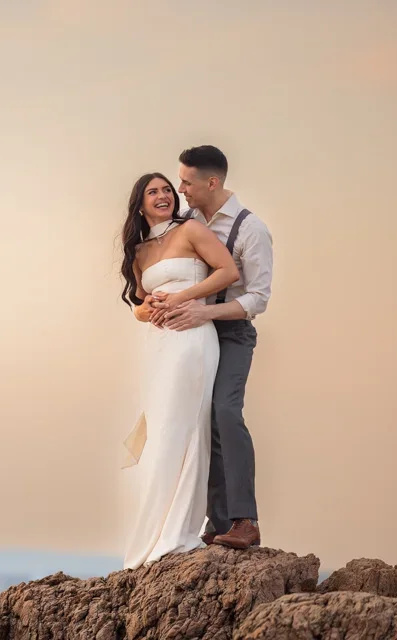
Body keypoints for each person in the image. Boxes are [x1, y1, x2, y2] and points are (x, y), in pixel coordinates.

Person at [146, 145, 274, 550]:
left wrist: (205, 314)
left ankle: (244, 520)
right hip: (189, 337)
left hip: (231, 333)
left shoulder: (251, 228)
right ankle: (215, 522)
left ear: (211, 182)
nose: (179, 188)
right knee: (194, 420)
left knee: (225, 412)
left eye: (185, 181)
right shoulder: (185, 222)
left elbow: (258, 298)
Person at [119, 171, 239, 569]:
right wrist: (149, 308)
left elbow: (227, 271)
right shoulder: (138, 252)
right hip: (160, 347)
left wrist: (182, 297)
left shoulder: (191, 231)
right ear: (140, 204)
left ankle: (180, 532)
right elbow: (137, 307)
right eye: (153, 192)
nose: (163, 195)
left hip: (191, 338)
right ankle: (154, 529)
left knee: (186, 427)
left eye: (167, 189)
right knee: (162, 431)